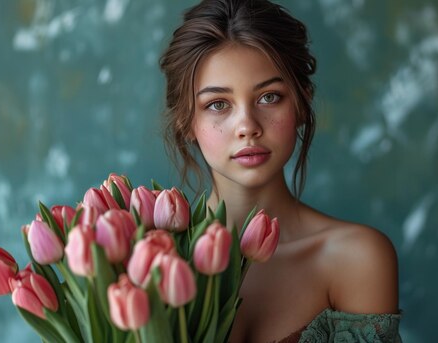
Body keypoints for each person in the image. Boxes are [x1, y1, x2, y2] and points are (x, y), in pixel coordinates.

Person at [159, 0, 402, 341]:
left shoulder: (356, 258)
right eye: (217, 104)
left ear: (302, 103)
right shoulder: (147, 261)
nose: (247, 126)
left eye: (269, 97)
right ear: (186, 121)